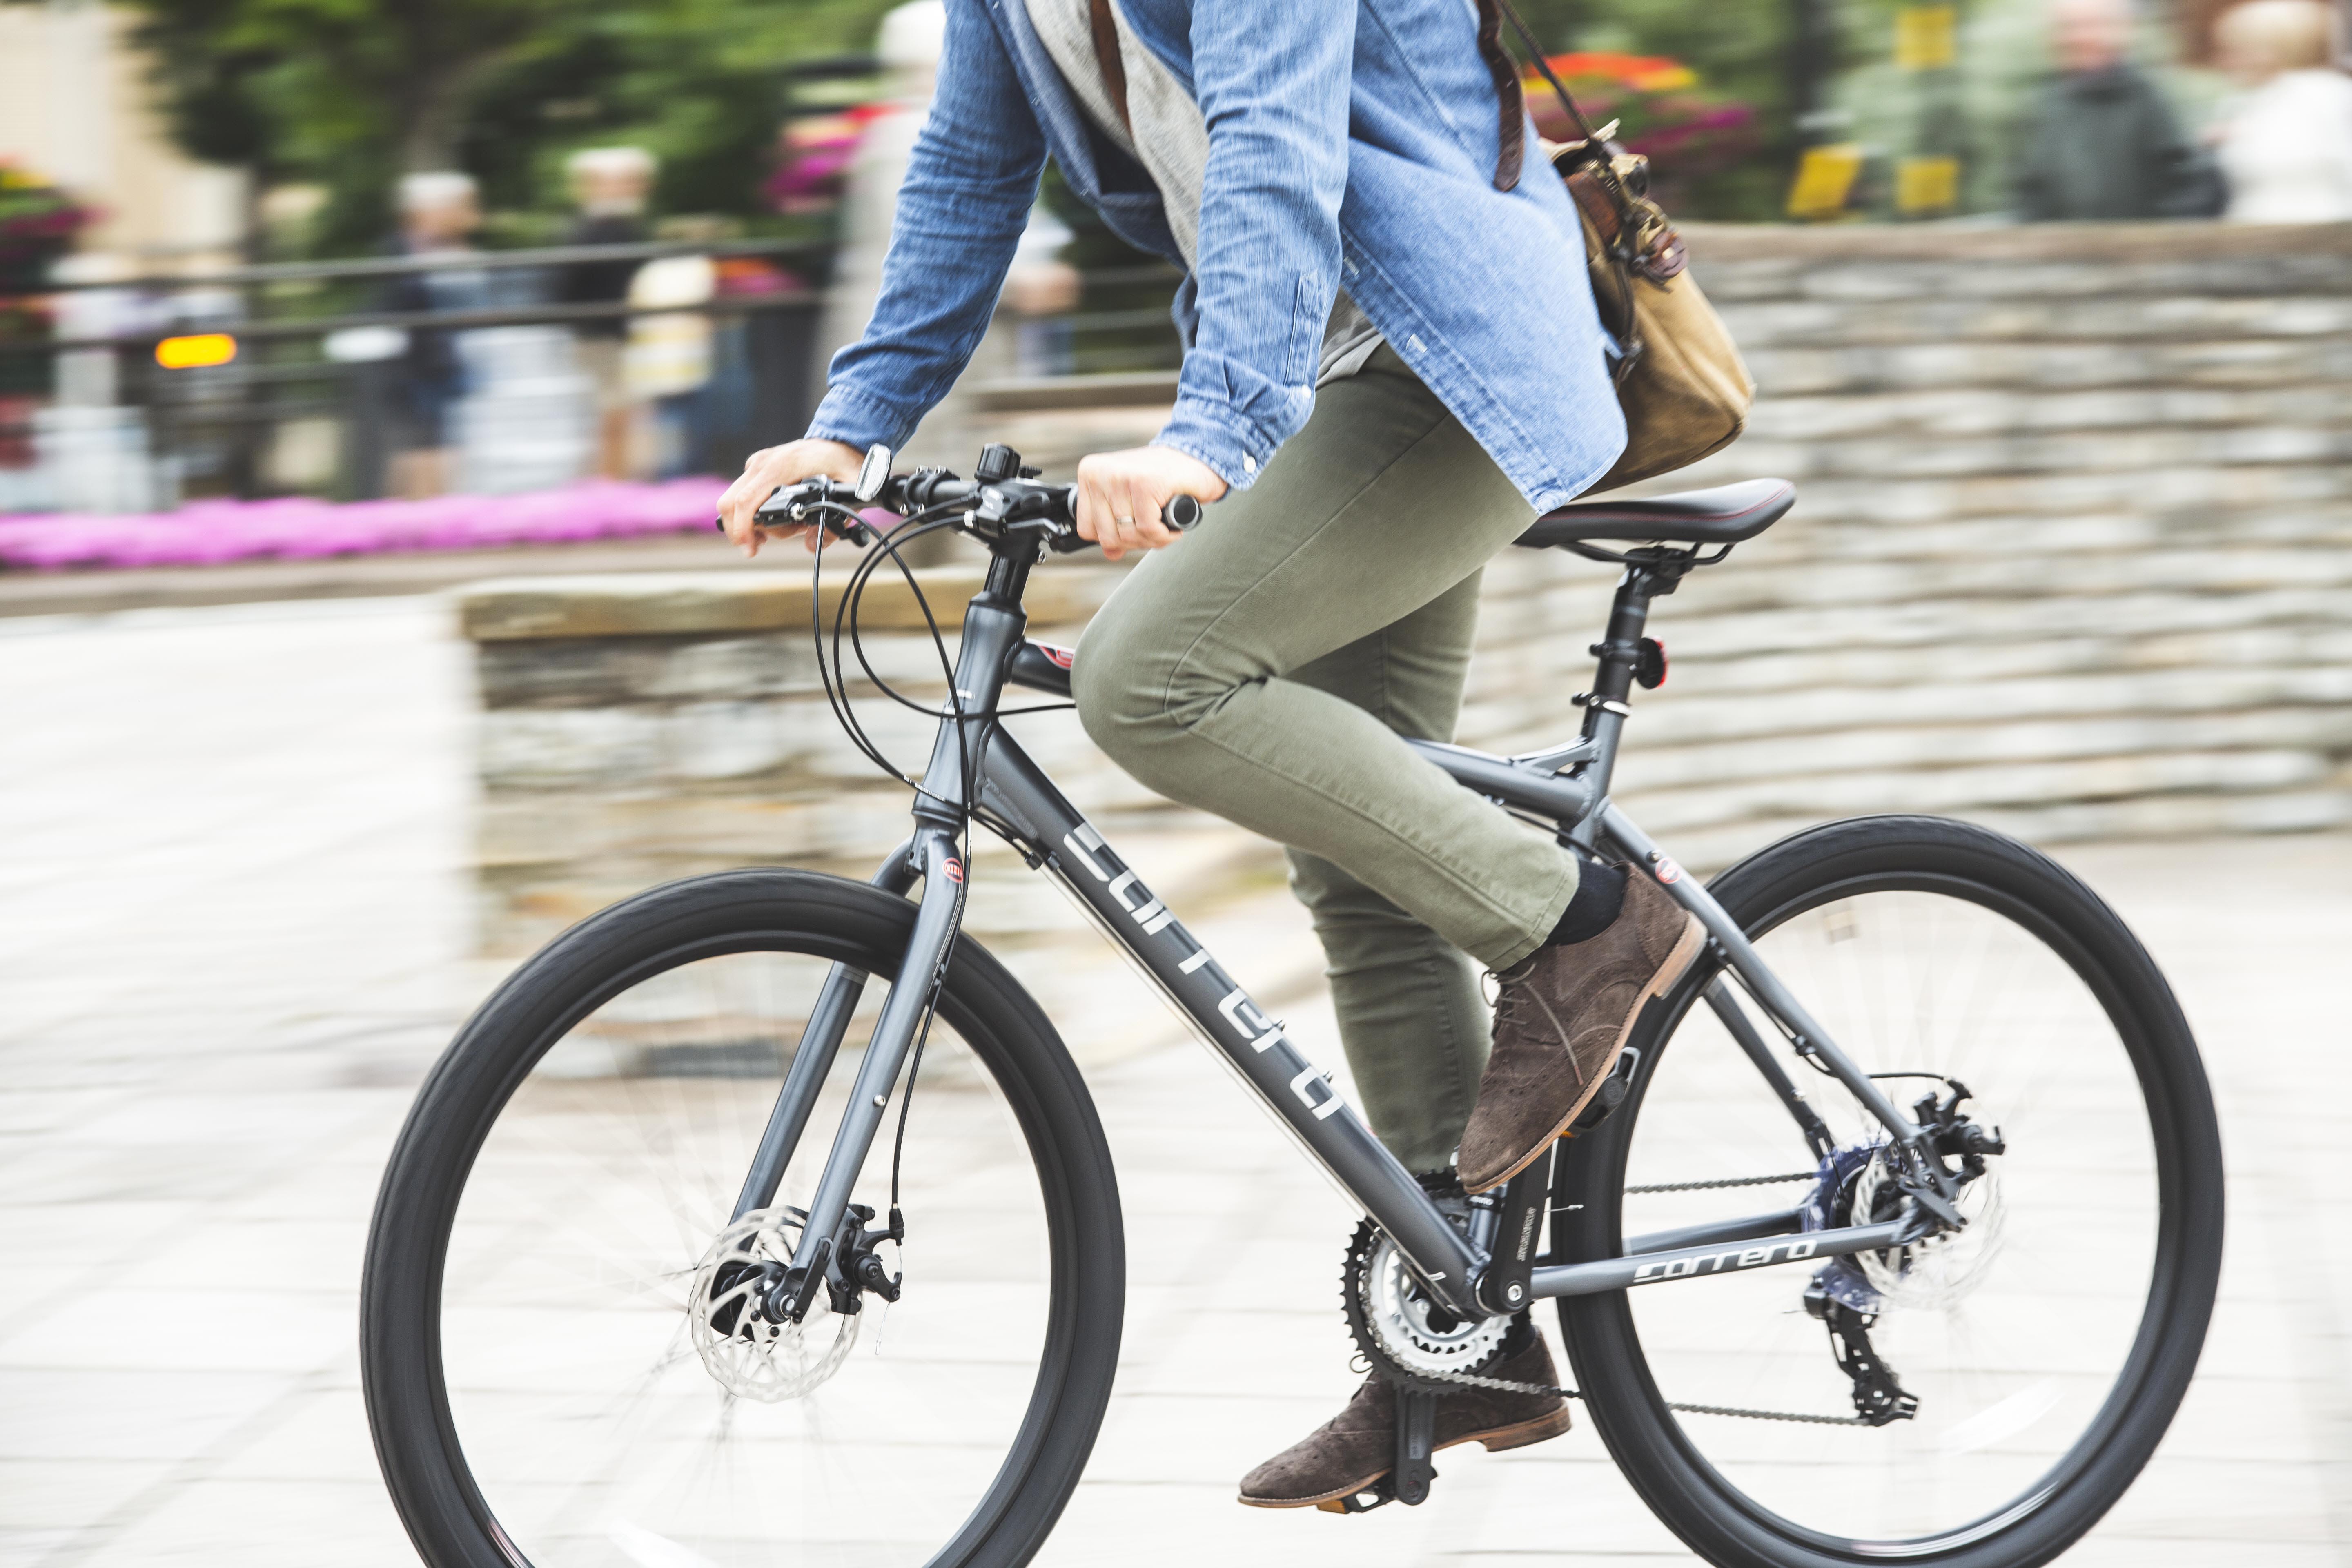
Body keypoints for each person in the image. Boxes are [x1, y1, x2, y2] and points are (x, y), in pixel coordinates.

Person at [716, 0, 1704, 1511]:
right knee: (1358, 854)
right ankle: (1468, 1347)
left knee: (1149, 677)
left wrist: (1210, 434)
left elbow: (1272, 132)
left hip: (1449, 363)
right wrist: (851, 430)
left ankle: (1583, 924)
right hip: (1347, 376)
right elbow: (969, 170)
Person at [2013, 0, 2220, 220]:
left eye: (2092, 25)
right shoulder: (2048, 104)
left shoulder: (2152, 99)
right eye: (2068, 27)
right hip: (2065, 250)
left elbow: (2193, 187)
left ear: (2122, 31)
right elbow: (2031, 196)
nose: (2079, 37)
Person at [381, 172, 486, 500]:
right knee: (420, 444)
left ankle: (429, 512)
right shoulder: (402, 250)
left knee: (434, 441)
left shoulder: (440, 249)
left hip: (440, 359)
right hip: (414, 361)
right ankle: (418, 516)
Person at [560, 147, 658, 478]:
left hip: (619, 338)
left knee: (621, 415)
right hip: (602, 339)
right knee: (612, 415)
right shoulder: (595, 230)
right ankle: (609, 484)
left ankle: (616, 481)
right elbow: (568, 288)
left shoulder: (621, 227)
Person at [2209, 0, 2352, 221]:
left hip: (2321, 233)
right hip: (2250, 235)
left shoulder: (2327, 95)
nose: (2226, 62)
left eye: (2238, 51)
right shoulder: (2241, 103)